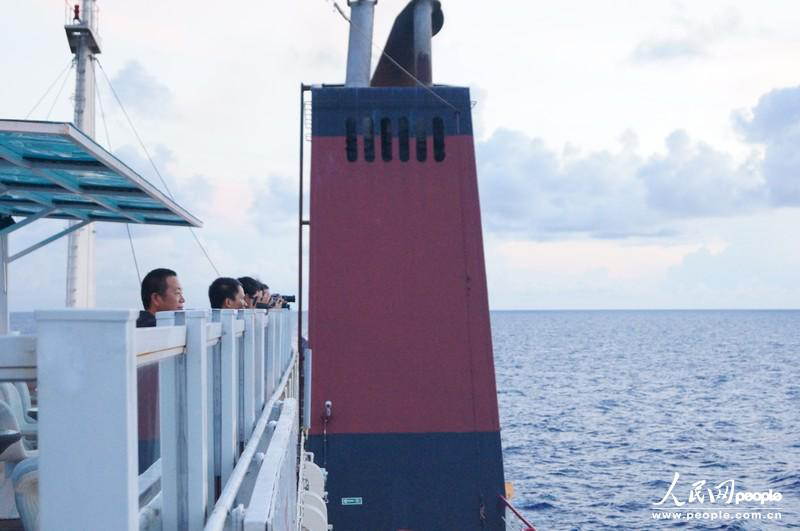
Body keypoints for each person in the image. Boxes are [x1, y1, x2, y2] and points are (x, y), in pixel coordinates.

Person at [136, 268, 185, 474]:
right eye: (177, 293)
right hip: (148, 431)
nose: (183, 299)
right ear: (156, 298)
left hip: (156, 426)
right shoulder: (146, 334)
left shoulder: (162, 332)